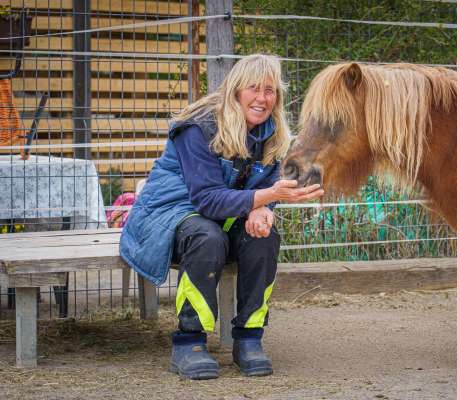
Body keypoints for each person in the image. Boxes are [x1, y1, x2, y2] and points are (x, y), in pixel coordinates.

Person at [119, 54, 324, 380]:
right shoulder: (198, 127)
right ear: (235, 91)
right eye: (254, 89)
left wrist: (263, 209)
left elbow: (268, 185)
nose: (262, 98)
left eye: (270, 91)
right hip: (170, 216)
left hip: (223, 216)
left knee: (264, 237)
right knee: (207, 237)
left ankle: (249, 338)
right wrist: (269, 197)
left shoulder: (272, 134)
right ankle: (190, 341)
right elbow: (207, 199)